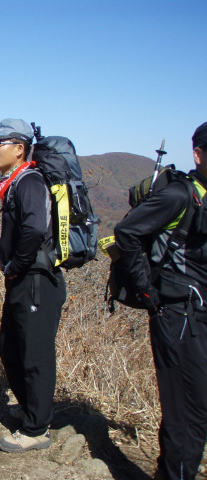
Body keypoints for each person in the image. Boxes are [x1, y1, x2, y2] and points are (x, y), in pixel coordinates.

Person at [114, 122, 207, 480]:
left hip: (196, 312)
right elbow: (126, 232)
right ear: (198, 154)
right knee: (187, 410)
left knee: (196, 406)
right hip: (177, 313)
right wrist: (147, 290)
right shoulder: (180, 195)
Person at [0, 118, 66, 453]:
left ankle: (36, 430)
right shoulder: (15, 182)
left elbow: (33, 230)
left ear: (19, 149)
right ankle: (34, 410)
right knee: (10, 347)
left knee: (34, 355)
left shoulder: (29, 181)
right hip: (25, 280)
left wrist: (15, 264)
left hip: (36, 281)